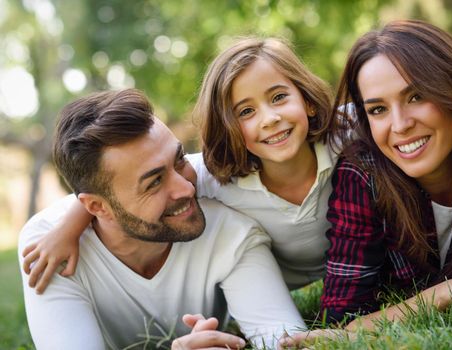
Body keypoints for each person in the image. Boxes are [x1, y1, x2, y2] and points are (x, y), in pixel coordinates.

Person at [22, 37, 345, 291]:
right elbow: (112, 190)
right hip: (270, 282)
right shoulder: (216, 175)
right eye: (246, 112)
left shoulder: (346, 137)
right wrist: (67, 230)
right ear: (226, 127)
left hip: (359, 269)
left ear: (306, 98)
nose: (270, 119)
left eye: (278, 98)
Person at [280, 19, 452, 347]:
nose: (400, 125)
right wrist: (446, 292)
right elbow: (340, 321)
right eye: (378, 109)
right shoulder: (363, 176)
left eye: (416, 96)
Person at [18, 89, 305, 350]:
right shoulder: (48, 247)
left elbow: (284, 340)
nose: (187, 188)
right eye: (154, 182)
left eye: (179, 159)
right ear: (96, 206)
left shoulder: (230, 230)